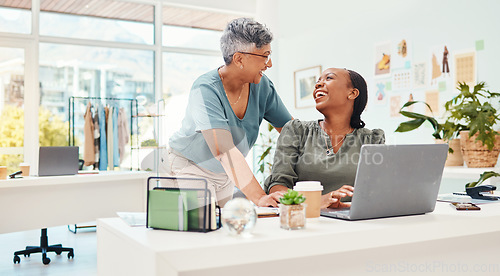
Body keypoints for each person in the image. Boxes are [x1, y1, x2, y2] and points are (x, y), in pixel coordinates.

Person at [164, 18, 292, 207]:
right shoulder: (205, 89)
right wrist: (259, 197)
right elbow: (224, 151)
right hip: (190, 166)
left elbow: (291, 131)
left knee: (223, 230)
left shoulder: (262, 86)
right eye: (264, 56)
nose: (269, 63)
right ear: (239, 59)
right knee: (203, 228)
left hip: (224, 173)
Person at [264, 68, 385, 208]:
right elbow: (278, 188)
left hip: (354, 222)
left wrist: (344, 206)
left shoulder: (372, 140)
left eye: (329, 78)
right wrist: (318, 201)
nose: (318, 84)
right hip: (306, 219)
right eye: (318, 81)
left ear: (352, 93)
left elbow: (378, 192)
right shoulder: (296, 131)